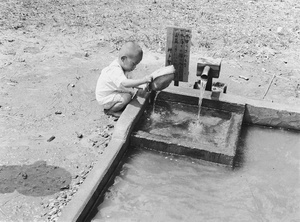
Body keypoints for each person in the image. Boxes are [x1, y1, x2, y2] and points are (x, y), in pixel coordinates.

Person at [95, 42, 152, 117]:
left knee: (129, 93)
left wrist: (140, 86)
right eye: (133, 64)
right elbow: (125, 83)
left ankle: (117, 105)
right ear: (123, 59)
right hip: (105, 98)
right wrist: (143, 80)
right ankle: (110, 111)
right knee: (127, 97)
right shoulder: (115, 70)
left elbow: (131, 83)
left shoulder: (125, 68)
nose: (134, 67)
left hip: (112, 92)